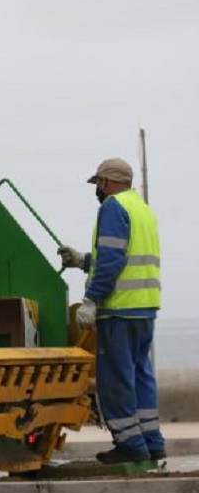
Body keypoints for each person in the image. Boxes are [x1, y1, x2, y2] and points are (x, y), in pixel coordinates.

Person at [58, 157, 165, 464]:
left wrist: (91, 300)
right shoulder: (142, 209)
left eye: (98, 184)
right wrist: (82, 261)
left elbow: (112, 261)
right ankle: (151, 441)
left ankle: (130, 444)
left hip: (118, 310)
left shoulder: (113, 208)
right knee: (141, 376)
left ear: (106, 182)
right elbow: (125, 258)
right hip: (144, 309)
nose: (97, 191)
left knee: (115, 378)